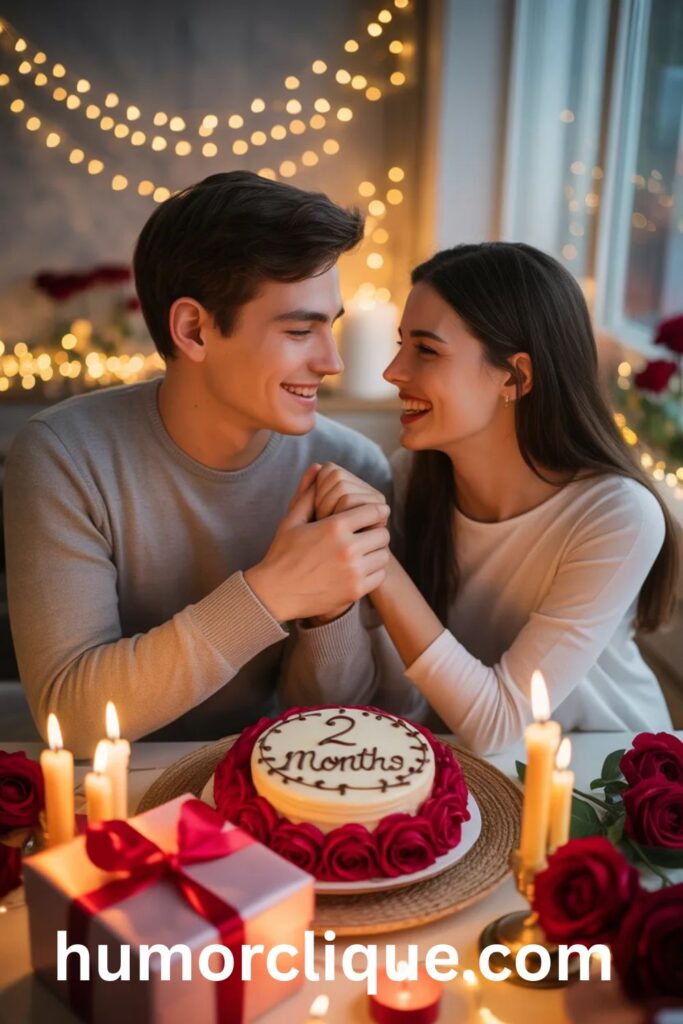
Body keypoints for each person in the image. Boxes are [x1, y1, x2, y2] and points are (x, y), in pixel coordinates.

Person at [4, 171, 392, 757]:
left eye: (330, 327)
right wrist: (270, 595)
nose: (331, 361)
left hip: (268, 785)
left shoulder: (351, 465)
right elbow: (74, 715)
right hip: (105, 791)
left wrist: (329, 612)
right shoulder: (64, 454)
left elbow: (338, 725)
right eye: (298, 330)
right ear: (193, 329)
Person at [294, 242, 678, 754]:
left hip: (608, 769)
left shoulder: (618, 515)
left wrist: (375, 557)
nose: (393, 371)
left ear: (515, 376)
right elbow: (381, 700)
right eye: (401, 343)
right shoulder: (411, 479)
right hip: (477, 767)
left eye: (425, 350)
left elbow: (501, 722)